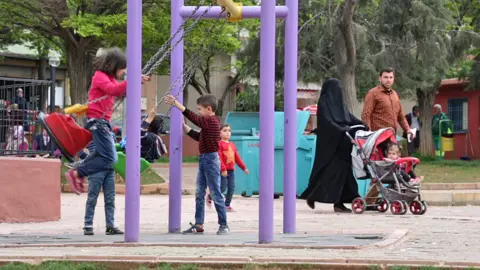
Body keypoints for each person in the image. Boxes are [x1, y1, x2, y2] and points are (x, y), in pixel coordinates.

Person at [64, 47, 150, 236]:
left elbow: (120, 90)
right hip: (97, 122)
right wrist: (131, 80)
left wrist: (136, 82)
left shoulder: (110, 78)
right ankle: (77, 172)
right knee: (110, 157)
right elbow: (113, 89)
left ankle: (79, 169)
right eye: (122, 69)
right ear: (114, 66)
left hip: (104, 123)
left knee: (102, 154)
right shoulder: (100, 76)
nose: (123, 73)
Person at [164, 93, 229, 235]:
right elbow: (199, 136)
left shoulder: (212, 121)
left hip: (211, 160)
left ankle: (224, 224)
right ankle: (199, 224)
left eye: (200, 109)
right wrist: (184, 127)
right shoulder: (207, 124)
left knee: (215, 193)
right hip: (204, 160)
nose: (198, 112)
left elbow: (197, 120)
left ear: (209, 109)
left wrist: (177, 105)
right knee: (199, 192)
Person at [299, 78, 366, 213]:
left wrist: (362, 124)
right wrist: (341, 129)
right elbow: (327, 122)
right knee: (329, 174)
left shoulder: (341, 104)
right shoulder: (324, 103)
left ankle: (340, 203)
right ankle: (314, 196)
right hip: (330, 146)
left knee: (345, 175)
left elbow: (349, 117)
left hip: (343, 145)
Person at [190, 124, 249, 212]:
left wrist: (244, 167)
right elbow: (219, 158)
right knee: (222, 188)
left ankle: (227, 205)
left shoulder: (232, 145)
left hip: (231, 171)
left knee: (231, 188)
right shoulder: (219, 144)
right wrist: (223, 169)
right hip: (222, 171)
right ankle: (210, 196)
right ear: (219, 133)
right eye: (225, 130)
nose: (227, 132)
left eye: (229, 130)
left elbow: (237, 158)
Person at [362, 67, 414, 136]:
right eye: (386, 77)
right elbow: (366, 115)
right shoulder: (373, 93)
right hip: (378, 136)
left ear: (393, 79)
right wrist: (368, 133)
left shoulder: (395, 94)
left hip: (392, 135)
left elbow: (400, 116)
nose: (388, 80)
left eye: (390, 77)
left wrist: (407, 129)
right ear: (380, 78)